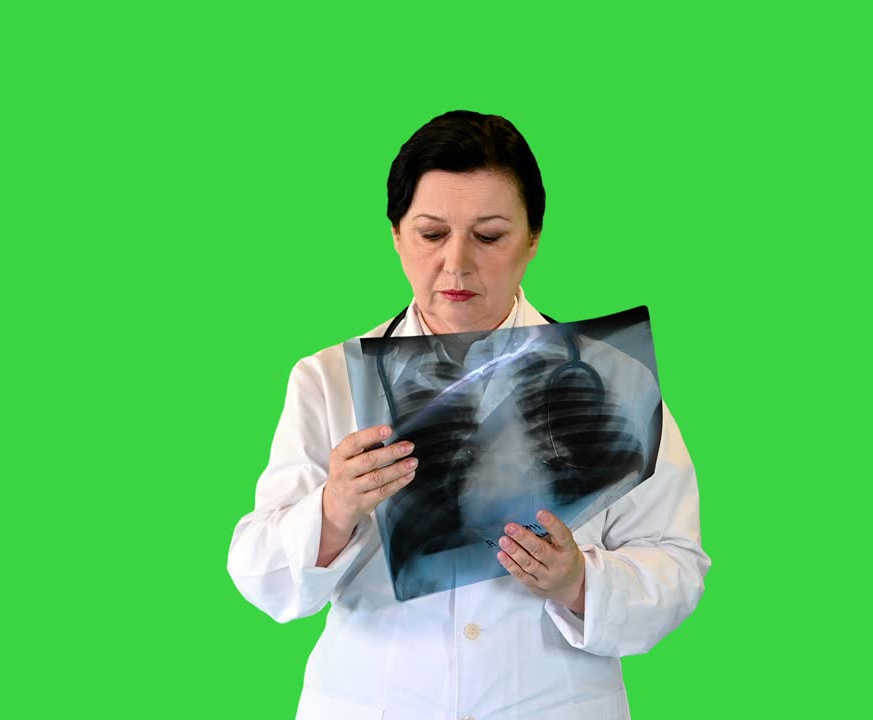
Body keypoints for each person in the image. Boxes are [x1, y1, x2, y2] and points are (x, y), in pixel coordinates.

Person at [227, 110, 710, 720]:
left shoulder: (613, 378)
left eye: (489, 236)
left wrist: (579, 583)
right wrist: (334, 509)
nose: (456, 263)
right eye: (432, 234)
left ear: (532, 239)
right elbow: (260, 577)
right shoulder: (327, 381)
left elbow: (677, 563)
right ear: (396, 235)